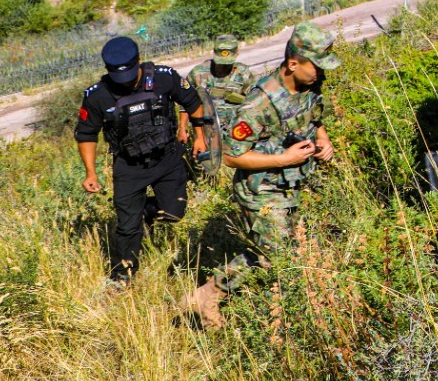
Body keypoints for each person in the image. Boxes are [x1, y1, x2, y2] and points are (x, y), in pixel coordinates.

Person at [180, 22, 339, 328]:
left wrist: (324, 141)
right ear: (293, 64)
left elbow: (315, 118)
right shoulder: (259, 103)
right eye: (316, 67)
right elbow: (230, 156)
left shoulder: (310, 85)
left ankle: (288, 312)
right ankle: (209, 295)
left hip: (291, 184)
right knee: (275, 254)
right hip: (261, 191)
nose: (321, 73)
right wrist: (285, 158)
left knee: (292, 249)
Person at [75, 36, 207, 287]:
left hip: (167, 157)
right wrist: (90, 172)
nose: (125, 83)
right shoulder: (98, 96)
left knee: (173, 212)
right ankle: (122, 276)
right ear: (107, 70)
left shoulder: (163, 77)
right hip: (129, 166)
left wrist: (200, 136)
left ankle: (145, 213)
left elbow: (192, 102)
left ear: (138, 60)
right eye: (119, 78)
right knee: (127, 227)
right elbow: (86, 134)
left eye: (129, 76)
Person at [182, 35, 258, 175]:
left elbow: (255, 104)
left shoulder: (244, 75)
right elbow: (185, 101)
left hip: (234, 135)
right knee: (203, 171)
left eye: (227, 62)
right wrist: (183, 128)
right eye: (220, 62)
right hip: (205, 133)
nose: (223, 66)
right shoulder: (198, 73)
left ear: (237, 54)